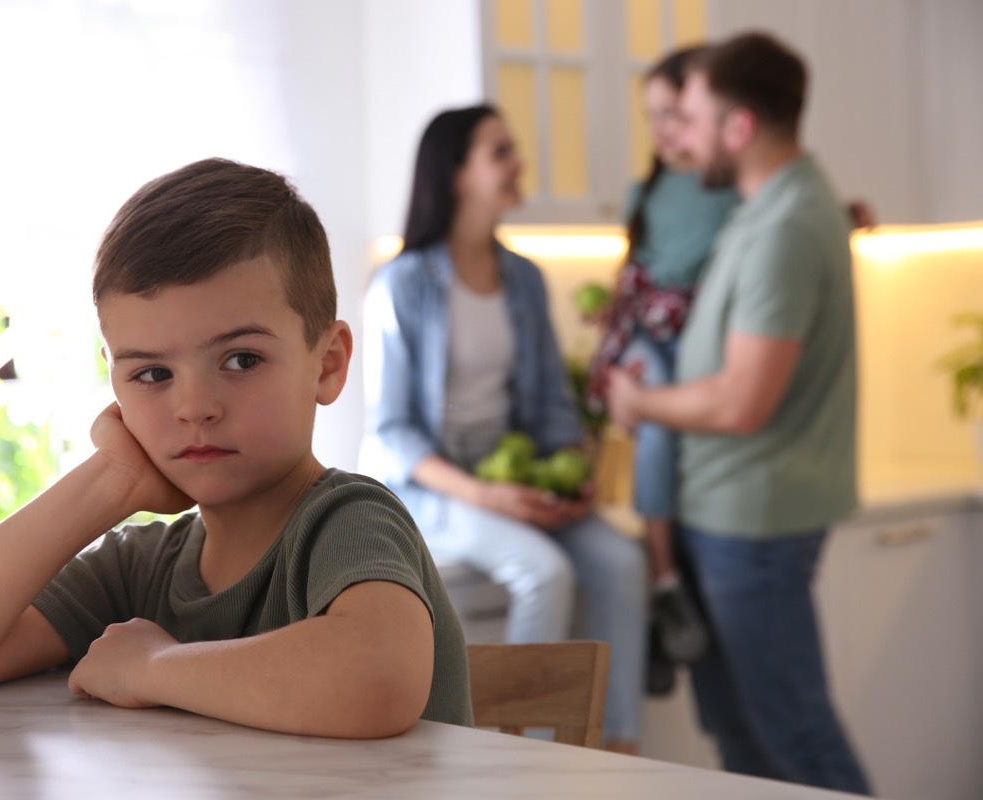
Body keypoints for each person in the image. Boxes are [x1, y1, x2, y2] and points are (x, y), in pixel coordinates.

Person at [0, 157, 474, 738]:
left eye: (241, 360)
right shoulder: (140, 568)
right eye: (152, 375)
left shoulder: (347, 520)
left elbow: (375, 680)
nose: (194, 407)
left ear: (328, 364)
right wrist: (111, 478)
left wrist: (151, 667)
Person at [605, 32, 873, 793]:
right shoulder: (764, 210)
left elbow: (742, 399)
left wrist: (638, 400)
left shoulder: (786, 224)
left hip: (752, 523)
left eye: (690, 119)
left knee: (796, 740)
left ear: (740, 128)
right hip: (723, 514)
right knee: (743, 742)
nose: (678, 139)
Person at [358, 104, 647, 753]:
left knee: (622, 563)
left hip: (514, 471)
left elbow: (551, 406)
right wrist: (487, 497)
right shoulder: (401, 285)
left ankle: (619, 745)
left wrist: (575, 473)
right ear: (455, 173)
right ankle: (522, 760)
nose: (519, 163)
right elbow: (393, 434)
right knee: (543, 571)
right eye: (501, 152)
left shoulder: (524, 278)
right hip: (432, 487)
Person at [586, 46, 735, 687]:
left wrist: (849, 217)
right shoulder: (643, 192)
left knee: (671, 414)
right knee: (656, 416)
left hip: (701, 341)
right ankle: (667, 577)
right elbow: (633, 281)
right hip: (652, 338)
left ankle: (661, 601)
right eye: (652, 118)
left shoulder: (729, 189)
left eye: (674, 114)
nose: (663, 132)